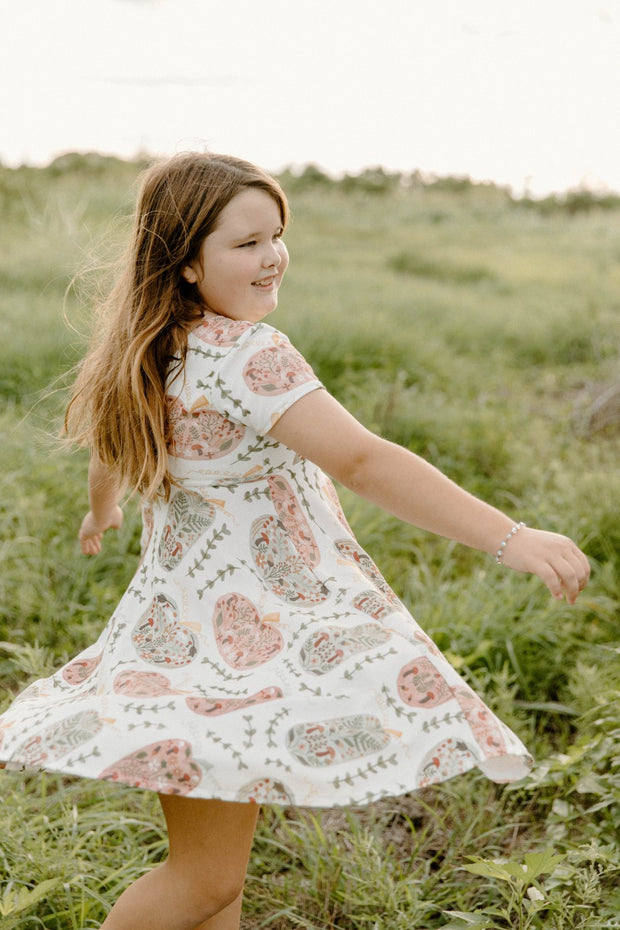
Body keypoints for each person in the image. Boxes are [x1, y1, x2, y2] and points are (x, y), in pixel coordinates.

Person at [0, 152, 590, 930]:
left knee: (221, 883)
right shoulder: (253, 353)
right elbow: (361, 458)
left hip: (187, 634)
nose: (272, 255)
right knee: (204, 880)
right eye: (245, 244)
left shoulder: (152, 345)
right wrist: (508, 536)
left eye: (276, 234)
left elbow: (112, 450)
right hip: (248, 641)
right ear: (183, 263)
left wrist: (100, 511)